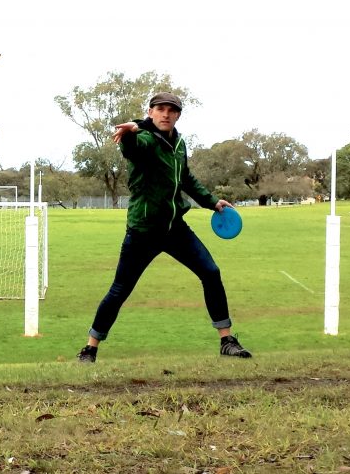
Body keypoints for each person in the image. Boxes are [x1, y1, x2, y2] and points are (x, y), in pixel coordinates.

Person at [77, 91, 251, 363]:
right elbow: (134, 147)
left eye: (172, 110)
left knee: (211, 272)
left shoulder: (179, 143)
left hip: (174, 229)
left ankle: (227, 341)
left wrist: (212, 202)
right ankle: (90, 348)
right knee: (120, 290)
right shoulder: (143, 139)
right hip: (143, 232)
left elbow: (186, 179)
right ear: (151, 112)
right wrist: (132, 132)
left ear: (178, 115)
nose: (166, 114)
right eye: (160, 109)